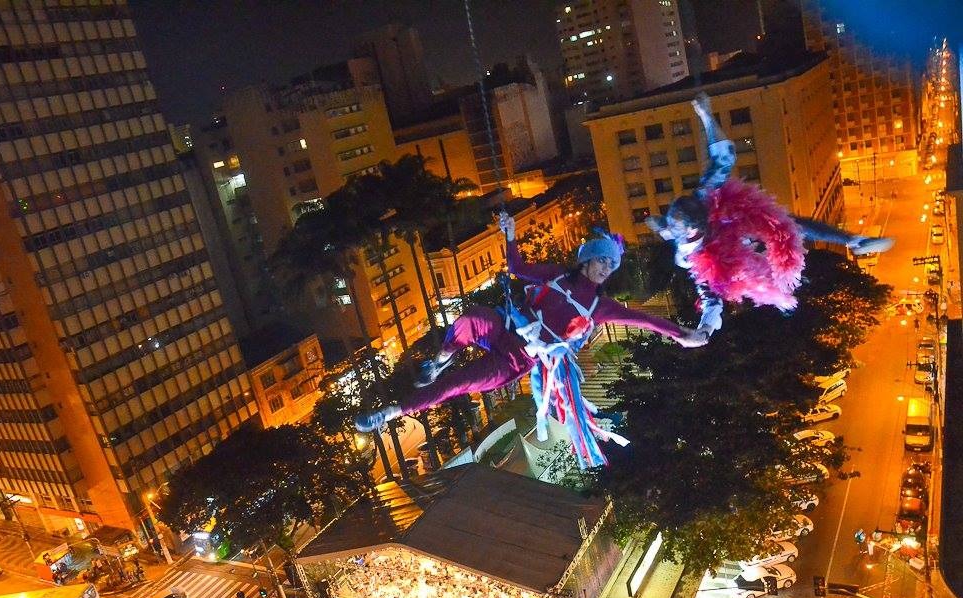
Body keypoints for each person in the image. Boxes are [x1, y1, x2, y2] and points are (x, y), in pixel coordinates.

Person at [356, 214, 707, 468]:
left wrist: (683, 335)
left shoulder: (599, 305)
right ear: (586, 260)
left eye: (611, 266)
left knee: (457, 385)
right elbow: (517, 266)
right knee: (472, 317)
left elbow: (644, 320)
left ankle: (391, 412)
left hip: (518, 358)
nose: (605, 269)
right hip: (506, 327)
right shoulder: (555, 275)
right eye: (601, 260)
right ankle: (441, 358)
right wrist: (509, 233)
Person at [646, 92, 894, 340]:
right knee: (756, 276)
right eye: (697, 234)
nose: (701, 232)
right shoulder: (693, 255)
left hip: (729, 221)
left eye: (702, 226)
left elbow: (724, 158)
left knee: (786, 225)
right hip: (730, 257)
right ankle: (786, 296)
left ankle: (853, 241)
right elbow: (710, 299)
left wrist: (706, 117)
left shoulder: (704, 197)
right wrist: (705, 329)